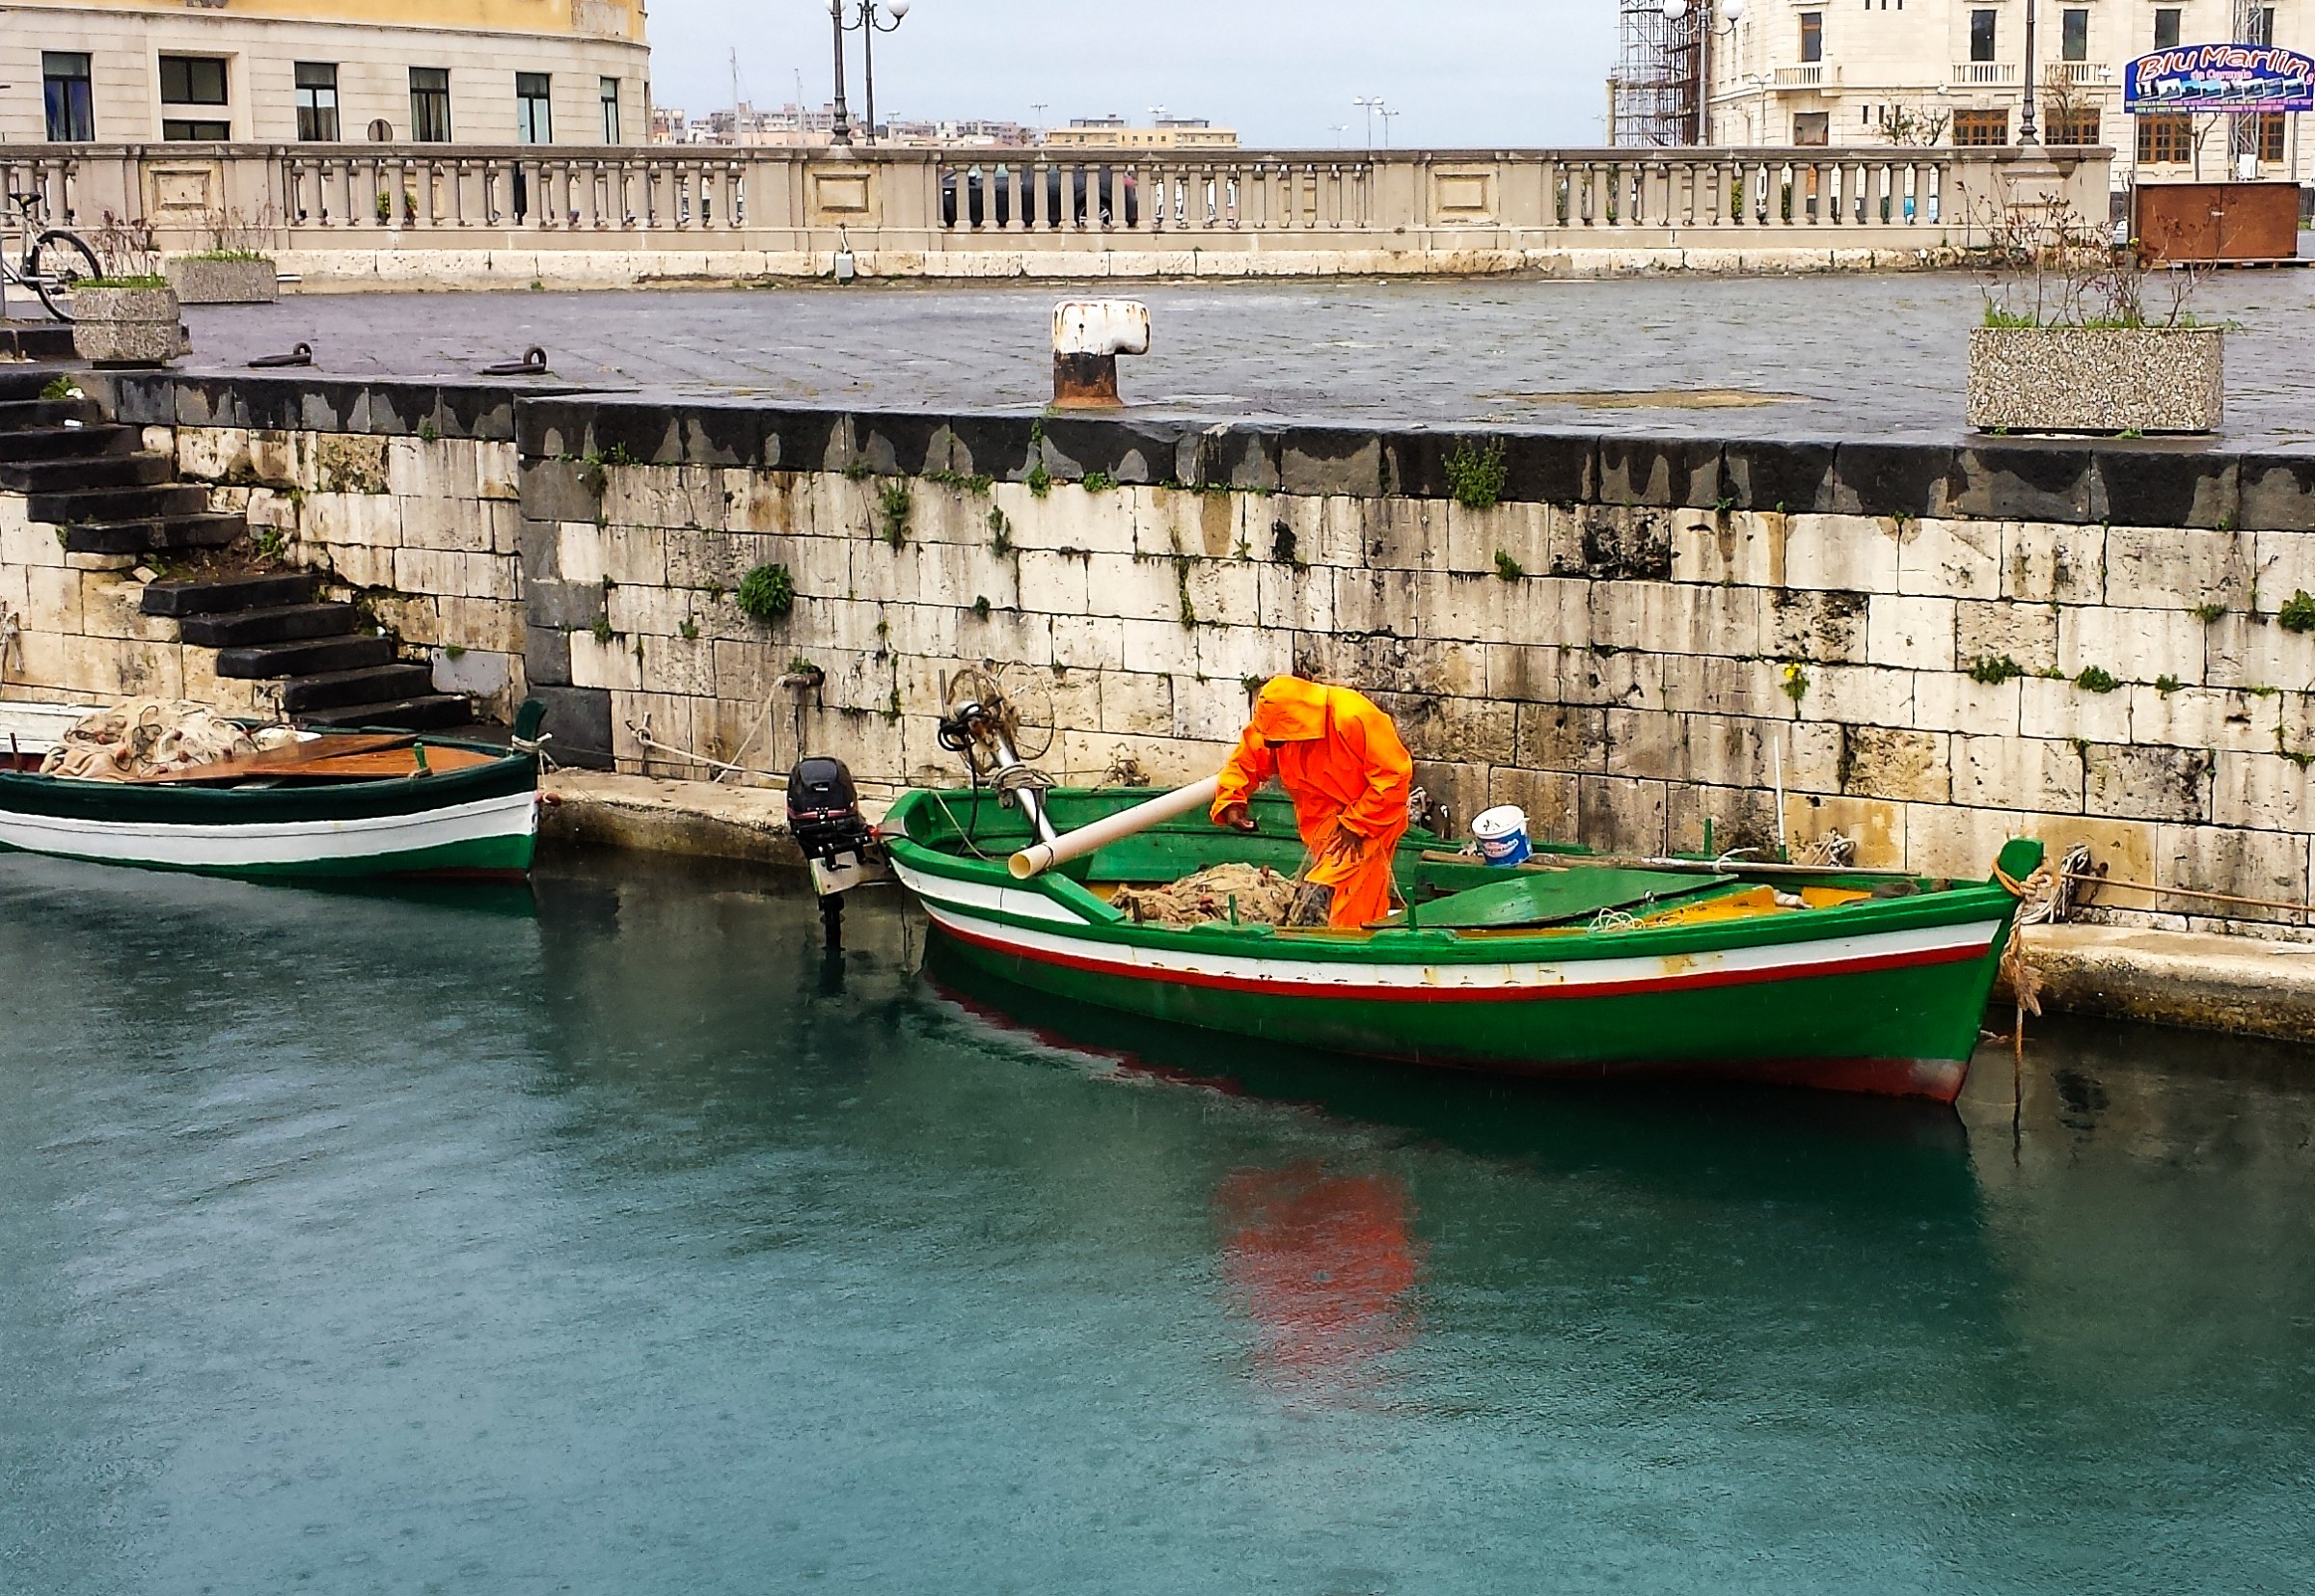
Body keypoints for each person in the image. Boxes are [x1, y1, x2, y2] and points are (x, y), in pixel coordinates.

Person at [1212, 676, 1412, 930]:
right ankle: (1360, 944)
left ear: (1296, 727)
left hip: (1369, 820)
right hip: (1322, 828)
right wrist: (1232, 800)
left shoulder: (1353, 716)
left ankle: (1342, 950)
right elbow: (1248, 759)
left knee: (1330, 893)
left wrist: (1357, 823)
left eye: (1279, 742)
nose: (1274, 747)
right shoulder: (1275, 727)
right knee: (1358, 900)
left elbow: (1394, 775)